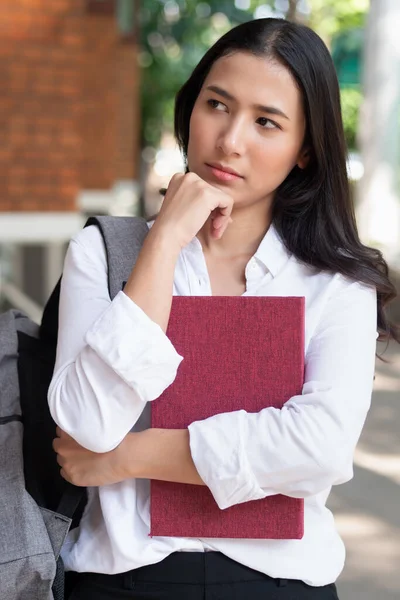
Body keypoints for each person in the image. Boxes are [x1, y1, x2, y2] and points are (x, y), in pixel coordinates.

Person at [49, 17, 399, 600]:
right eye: (217, 104)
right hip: (122, 582)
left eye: (267, 122)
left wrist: (128, 458)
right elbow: (84, 425)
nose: (231, 139)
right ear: (192, 109)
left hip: (282, 582)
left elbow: (320, 447)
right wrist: (161, 242)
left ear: (306, 149)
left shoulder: (335, 279)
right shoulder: (104, 250)